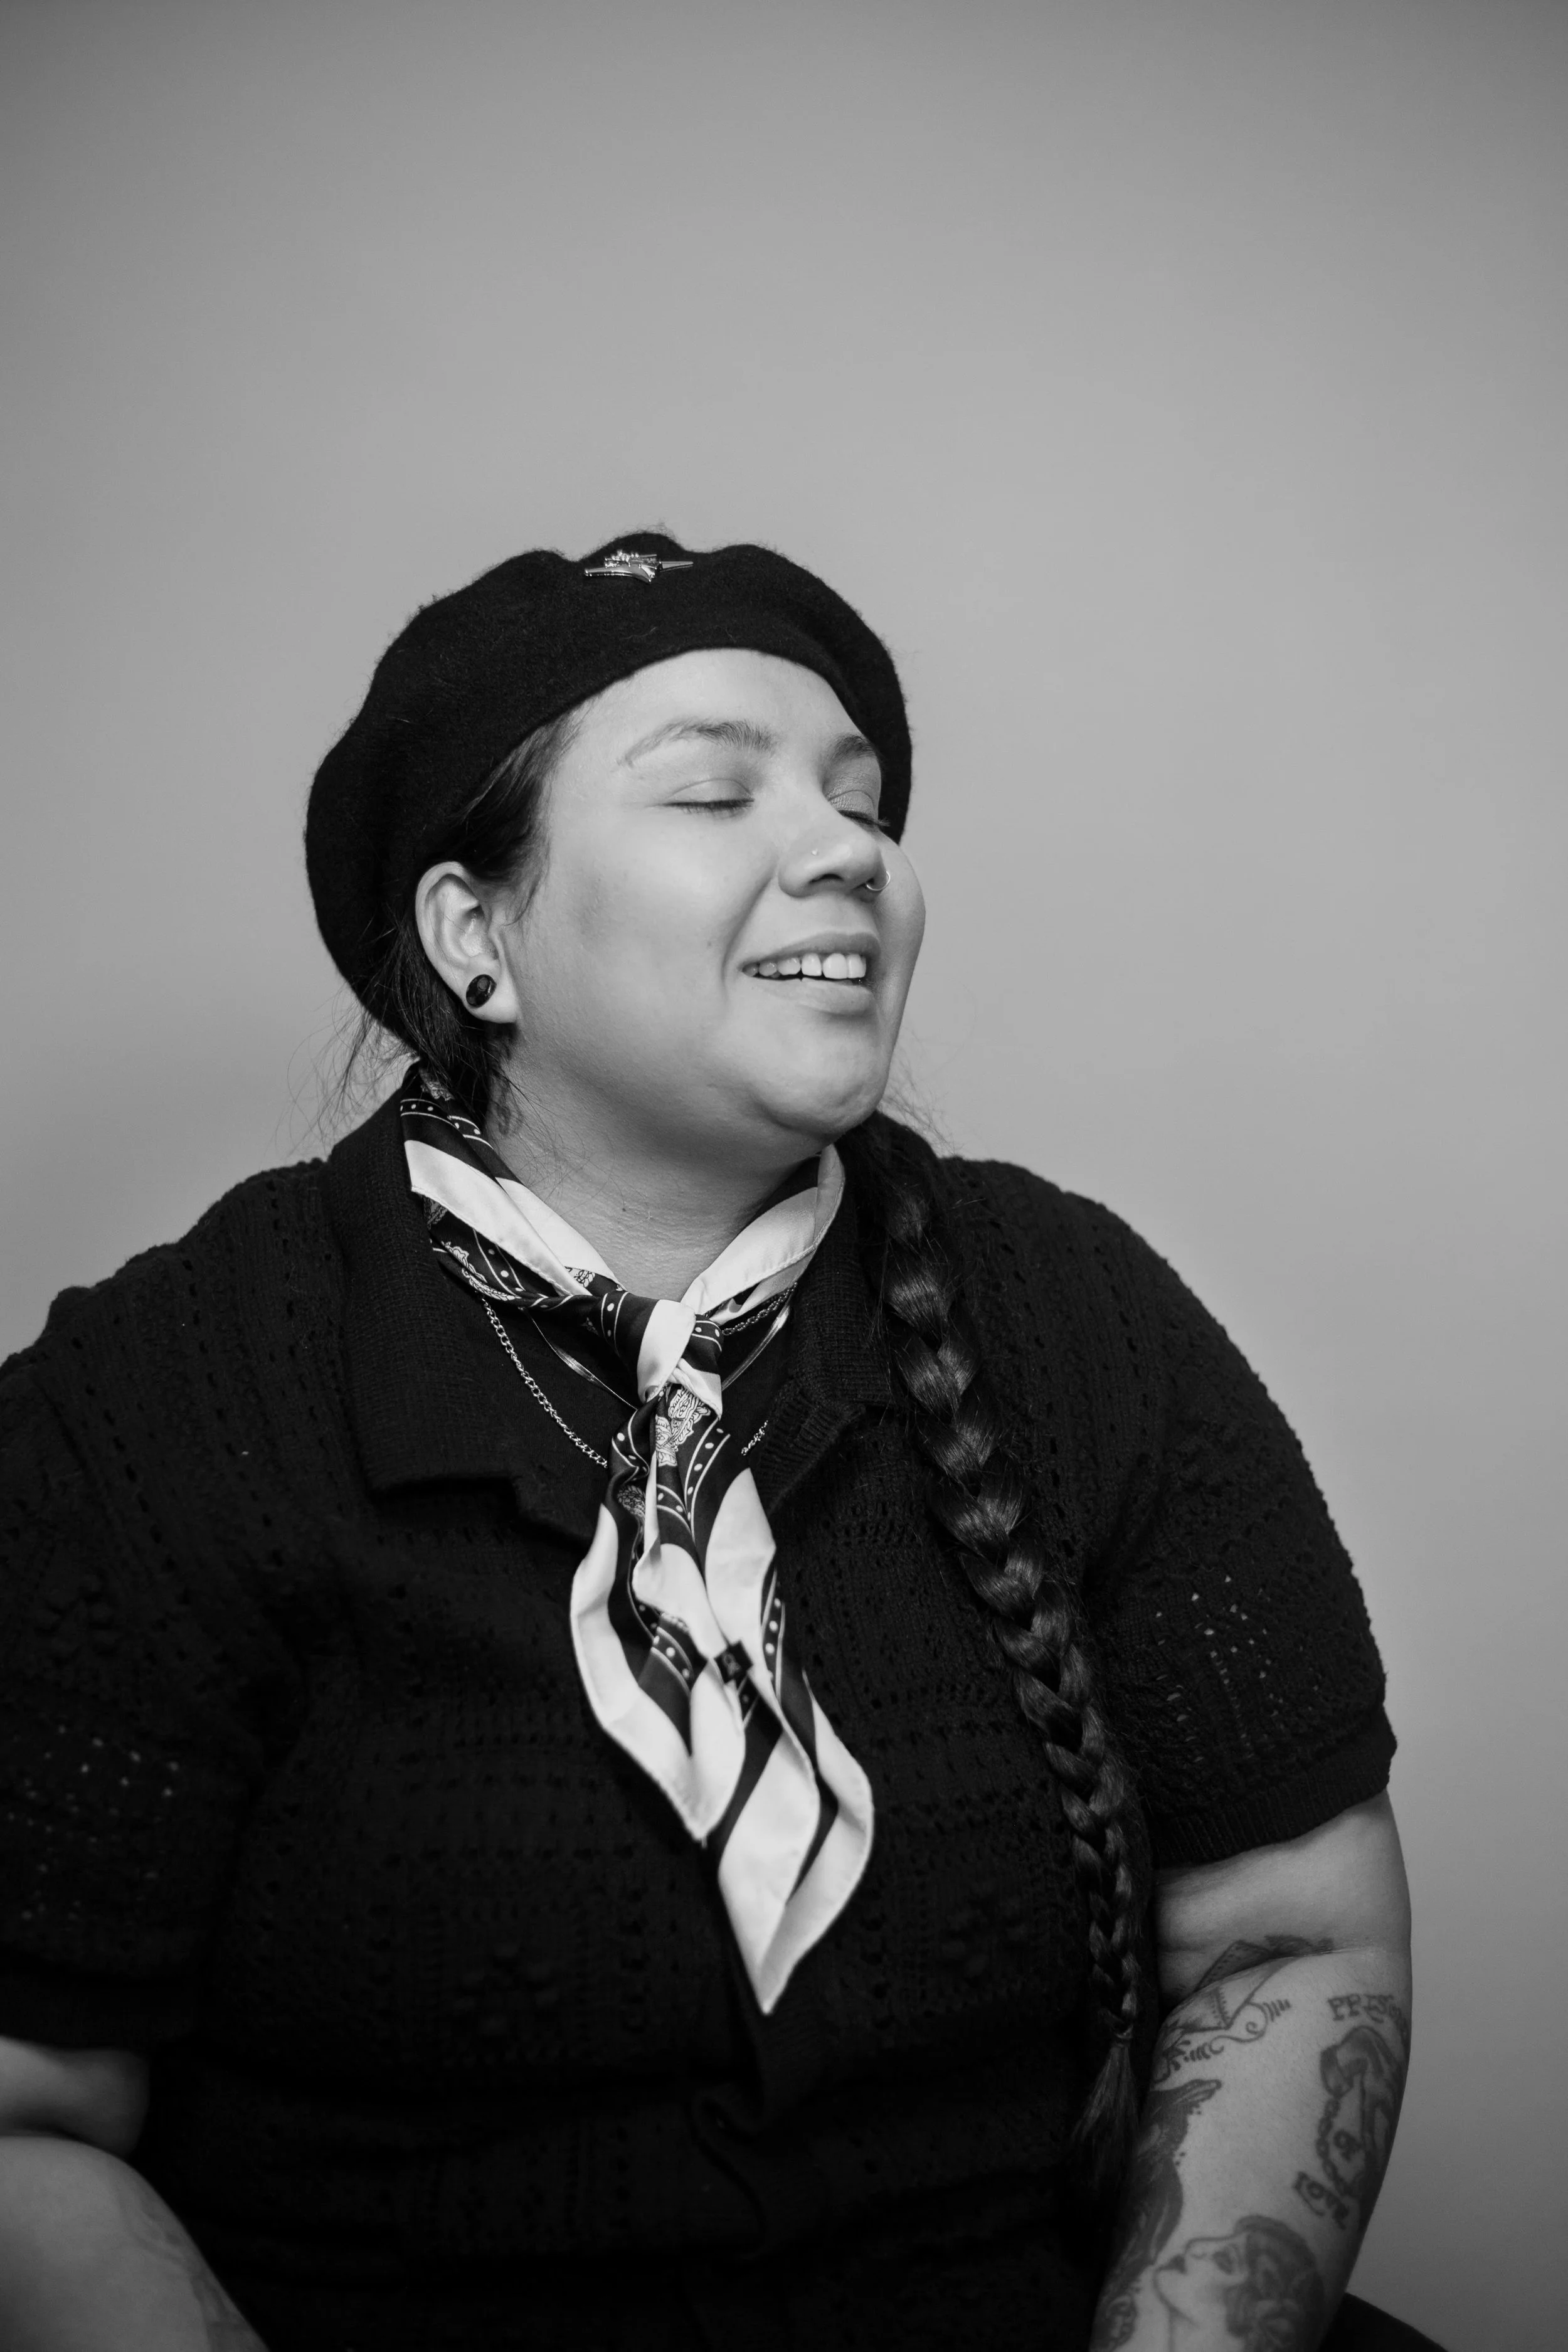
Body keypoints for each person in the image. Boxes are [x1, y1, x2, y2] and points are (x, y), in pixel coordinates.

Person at [0, 534, 1439, 2350]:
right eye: (712, 791)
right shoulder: (163, 1395)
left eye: (861, 801)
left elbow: (1287, 1937)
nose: (850, 851)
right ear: (475, 936)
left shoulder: (1074, 1314)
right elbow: (28, 2115)